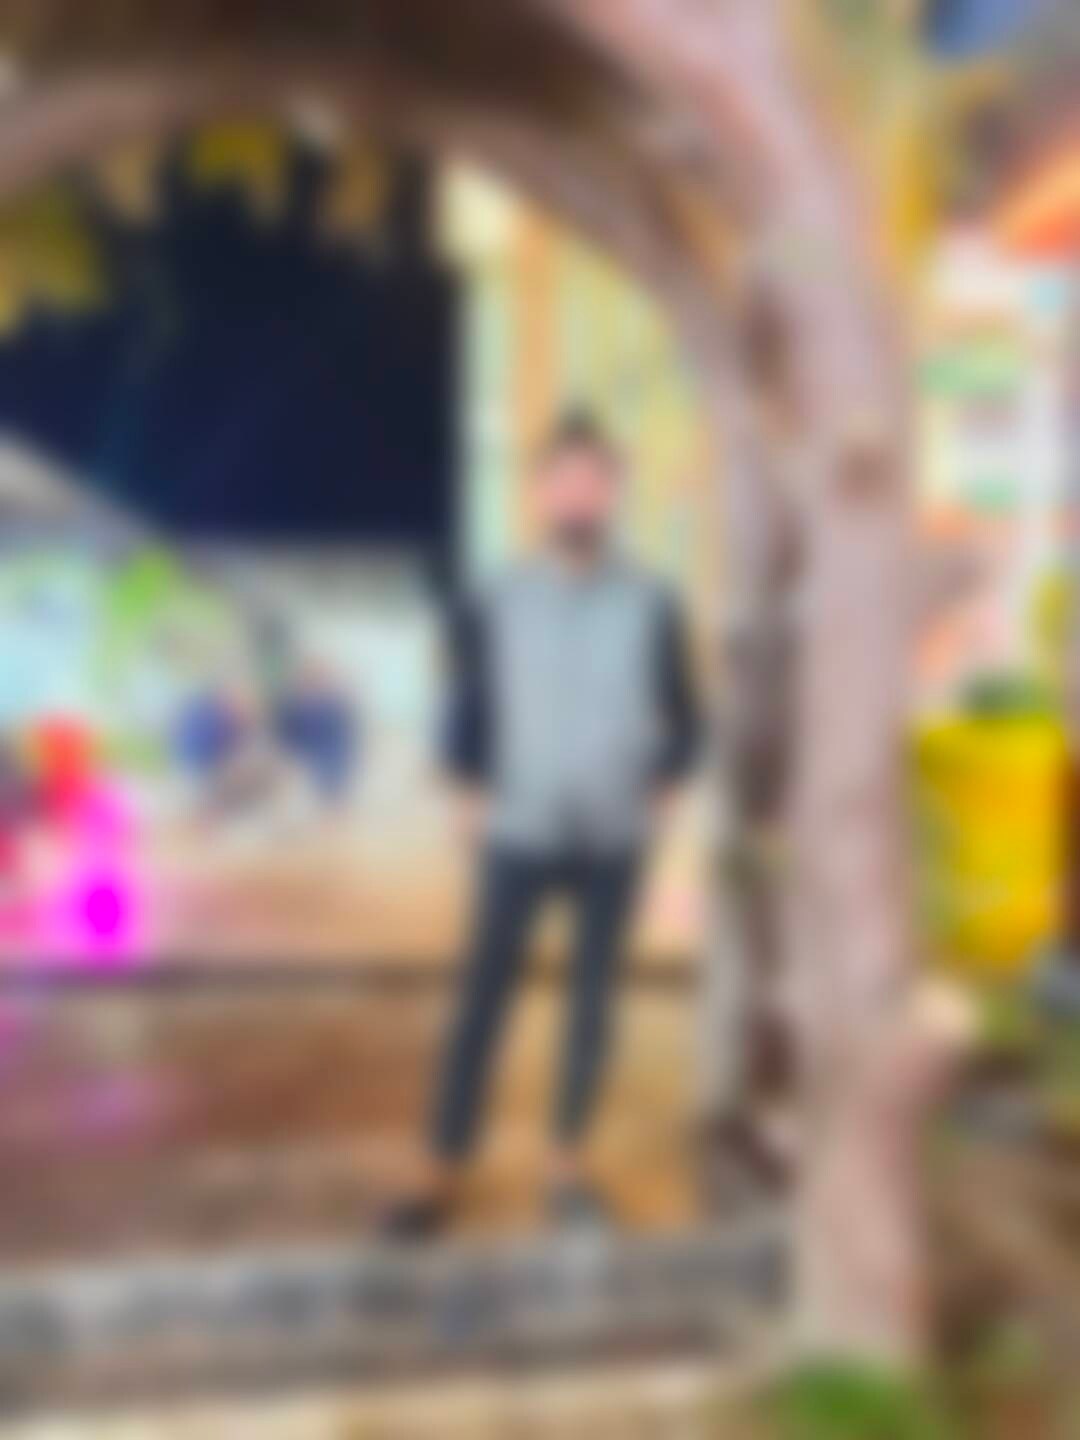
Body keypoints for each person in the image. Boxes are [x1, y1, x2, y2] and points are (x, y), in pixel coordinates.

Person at [382, 411, 700, 1237]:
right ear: (538, 493)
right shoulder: (494, 598)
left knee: (593, 1007)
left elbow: (688, 717)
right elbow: (466, 704)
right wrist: (466, 791)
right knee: (481, 1001)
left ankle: (567, 1168)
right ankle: (440, 1166)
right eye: (564, 479)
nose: (578, 494)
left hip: (614, 840)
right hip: (517, 832)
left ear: (614, 492)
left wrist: (663, 787)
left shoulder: (652, 602)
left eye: (594, 479)